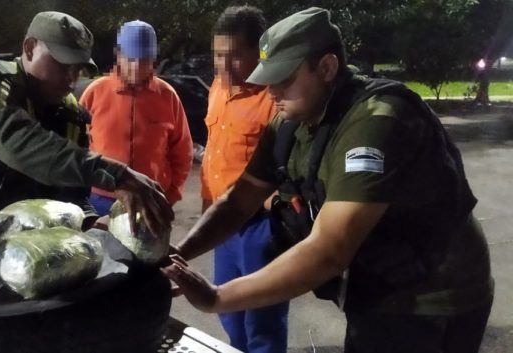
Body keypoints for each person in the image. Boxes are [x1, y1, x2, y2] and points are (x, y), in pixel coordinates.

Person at [165, 7, 493, 353]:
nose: (271, 91)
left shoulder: (376, 120)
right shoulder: (292, 119)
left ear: (326, 68)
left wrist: (217, 297)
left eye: (284, 78)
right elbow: (239, 200)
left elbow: (330, 249)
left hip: (434, 299)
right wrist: (176, 257)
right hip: (377, 284)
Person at [0, 11, 173, 235]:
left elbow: (70, 192)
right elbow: (21, 145)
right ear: (29, 48)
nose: (71, 77)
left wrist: (91, 223)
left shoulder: (68, 110)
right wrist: (119, 175)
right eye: (62, 63)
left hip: (23, 237)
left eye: (78, 68)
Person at [195, 6, 287, 353]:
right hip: (223, 224)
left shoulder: (275, 98)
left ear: (258, 53)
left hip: (259, 228)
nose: (224, 65)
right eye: (218, 54)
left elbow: (287, 169)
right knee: (228, 311)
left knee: (262, 321)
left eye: (235, 56)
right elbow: (215, 154)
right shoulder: (217, 87)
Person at [79, 20, 192, 216]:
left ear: (153, 59)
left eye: (145, 61)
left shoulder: (167, 96)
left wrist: (171, 195)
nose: (137, 68)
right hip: (101, 200)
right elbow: (76, 148)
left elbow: (182, 152)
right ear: (119, 55)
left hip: (151, 198)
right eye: (131, 59)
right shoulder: (95, 93)